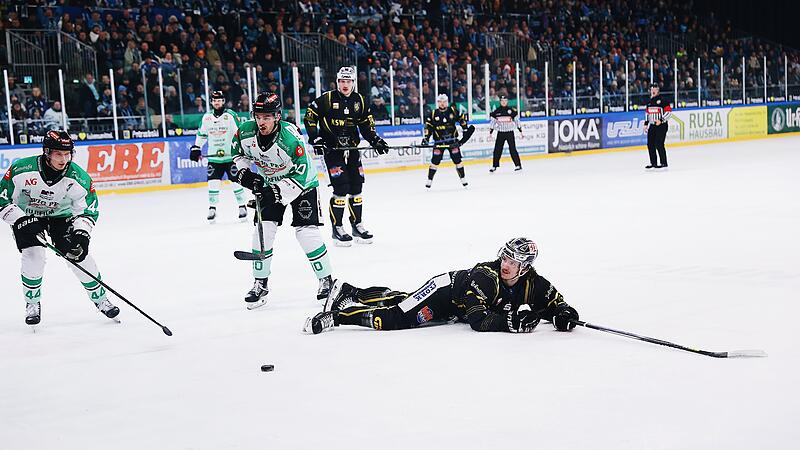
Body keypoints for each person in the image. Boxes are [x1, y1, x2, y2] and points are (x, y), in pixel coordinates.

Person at [304, 237, 579, 335]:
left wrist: (563, 315)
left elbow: (556, 302)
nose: (505, 263)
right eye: (505, 256)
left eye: (513, 260)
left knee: (401, 298)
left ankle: (351, 291)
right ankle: (337, 316)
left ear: (526, 267)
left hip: (452, 306)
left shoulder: (532, 283)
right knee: (394, 317)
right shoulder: (487, 276)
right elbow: (477, 320)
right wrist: (512, 323)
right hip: (443, 292)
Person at [0, 130, 119, 326]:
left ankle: (101, 299)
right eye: (58, 154)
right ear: (47, 152)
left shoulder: (78, 177)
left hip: (61, 217)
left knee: (78, 255)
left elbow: (87, 210)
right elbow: (2, 199)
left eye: (67, 154)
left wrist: (82, 233)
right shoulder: (21, 170)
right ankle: (32, 303)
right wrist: (20, 219)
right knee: (34, 254)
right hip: (27, 217)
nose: (64, 159)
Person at [232, 93, 334, 309]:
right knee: (263, 231)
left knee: (306, 232)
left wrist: (275, 193)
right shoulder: (245, 132)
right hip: (270, 183)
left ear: (277, 116)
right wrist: (246, 175)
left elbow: (301, 173)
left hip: (303, 185)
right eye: (258, 116)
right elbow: (237, 154)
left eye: (267, 117)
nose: (261, 122)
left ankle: (326, 280)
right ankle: (260, 284)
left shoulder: (290, 139)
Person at [303, 66, 390, 246]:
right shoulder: (327, 99)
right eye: (342, 81)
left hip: (352, 149)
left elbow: (367, 126)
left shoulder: (360, 101)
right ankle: (337, 228)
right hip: (332, 150)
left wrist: (375, 140)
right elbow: (310, 116)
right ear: (337, 82)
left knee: (357, 186)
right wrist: (315, 137)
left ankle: (357, 225)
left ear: (353, 83)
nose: (345, 84)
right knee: (341, 187)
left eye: (348, 81)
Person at [189, 90, 248, 223]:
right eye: (215, 100)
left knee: (235, 181)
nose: (217, 102)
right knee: (212, 182)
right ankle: (212, 208)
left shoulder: (230, 115)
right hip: (214, 158)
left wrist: (242, 149)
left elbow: (239, 133)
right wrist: (196, 148)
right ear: (211, 102)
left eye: (220, 100)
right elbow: (202, 134)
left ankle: (242, 206)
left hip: (230, 156)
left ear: (223, 102)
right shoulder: (206, 118)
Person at [422, 94, 475, 188]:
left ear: (447, 102)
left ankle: (463, 179)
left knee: (457, 160)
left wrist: (465, 129)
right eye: (440, 102)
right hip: (439, 142)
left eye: (444, 102)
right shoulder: (433, 113)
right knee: (435, 161)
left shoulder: (453, 111)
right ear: (438, 103)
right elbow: (428, 127)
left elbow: (462, 118)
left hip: (453, 141)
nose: (442, 104)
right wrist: (426, 138)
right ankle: (429, 180)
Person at [489, 95, 523, 172]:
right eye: (502, 101)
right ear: (500, 102)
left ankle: (518, 165)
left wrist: (520, 130)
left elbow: (517, 121)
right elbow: (492, 122)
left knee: (512, 149)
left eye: (505, 101)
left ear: (507, 102)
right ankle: (494, 166)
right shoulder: (496, 111)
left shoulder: (511, 111)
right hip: (500, 133)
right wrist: (491, 132)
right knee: (497, 149)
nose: (503, 102)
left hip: (509, 133)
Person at [644, 84, 671, 169]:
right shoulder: (649, 102)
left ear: (658, 90)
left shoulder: (663, 101)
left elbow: (669, 113)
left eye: (655, 89)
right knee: (650, 144)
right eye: (652, 89)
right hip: (652, 125)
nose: (653, 90)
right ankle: (653, 163)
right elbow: (647, 113)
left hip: (661, 125)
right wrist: (645, 124)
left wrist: (661, 120)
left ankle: (664, 162)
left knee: (659, 144)